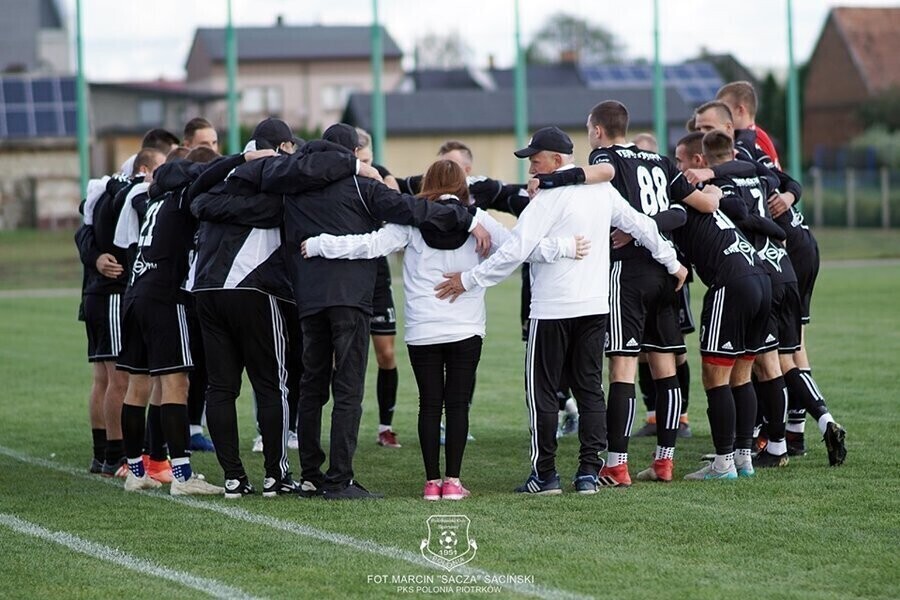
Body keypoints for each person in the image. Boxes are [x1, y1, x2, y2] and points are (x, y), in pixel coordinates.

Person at [303, 159, 587, 499]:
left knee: (428, 404)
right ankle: (452, 483)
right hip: (466, 328)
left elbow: (369, 244)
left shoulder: (412, 219)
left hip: (423, 328)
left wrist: (320, 244)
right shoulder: (479, 220)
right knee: (456, 406)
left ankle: (430, 482)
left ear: (429, 184)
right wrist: (566, 247)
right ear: (463, 186)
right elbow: (520, 249)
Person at [436, 126, 688, 495]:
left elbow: (514, 251)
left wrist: (469, 280)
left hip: (552, 309)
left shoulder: (549, 197)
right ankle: (588, 473)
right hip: (594, 307)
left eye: (535, 161)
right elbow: (643, 226)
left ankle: (545, 475)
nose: (532, 169)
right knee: (590, 390)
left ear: (557, 160)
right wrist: (672, 263)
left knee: (541, 393)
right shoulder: (602, 192)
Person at [266, 123, 489, 500]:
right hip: (350, 298)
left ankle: (309, 474)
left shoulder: (292, 186)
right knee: (348, 389)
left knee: (311, 387)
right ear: (352, 153)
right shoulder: (361, 185)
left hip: (307, 298)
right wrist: (468, 218)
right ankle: (339, 479)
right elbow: (413, 210)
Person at [578, 101, 720, 485]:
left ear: (597, 130)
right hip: (666, 271)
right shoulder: (659, 161)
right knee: (665, 366)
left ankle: (617, 464)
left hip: (629, 271)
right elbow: (697, 207)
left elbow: (596, 179)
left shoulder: (603, 157)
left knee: (622, 365)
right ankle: (664, 461)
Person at [189, 118, 315, 498]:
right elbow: (279, 209)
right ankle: (275, 476)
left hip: (206, 289)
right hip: (252, 287)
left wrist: (229, 182)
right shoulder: (280, 179)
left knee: (221, 387)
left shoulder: (220, 184)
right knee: (270, 384)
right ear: (282, 148)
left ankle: (232, 478)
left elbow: (197, 199)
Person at [116, 151, 225, 495]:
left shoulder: (153, 204)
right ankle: (181, 476)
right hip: (164, 298)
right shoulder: (180, 199)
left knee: (138, 386)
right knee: (176, 386)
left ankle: (136, 471)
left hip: (134, 294)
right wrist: (244, 157)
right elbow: (206, 178)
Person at [668, 132, 772, 480]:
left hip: (733, 283)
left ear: (697, 161)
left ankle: (723, 461)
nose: (679, 168)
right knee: (742, 374)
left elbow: (671, 222)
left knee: (716, 376)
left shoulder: (681, 195)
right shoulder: (714, 194)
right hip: (759, 276)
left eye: (681, 161)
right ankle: (743, 457)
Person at [353, 127, 403, 449]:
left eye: (369, 158)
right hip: (345, 277)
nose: (367, 165)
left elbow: (396, 208)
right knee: (340, 358)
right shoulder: (336, 178)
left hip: (377, 277)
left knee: (386, 354)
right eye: (361, 160)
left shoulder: (383, 177)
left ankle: (385, 427)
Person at [715, 81, 781, 169]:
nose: (719, 116)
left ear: (740, 110)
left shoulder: (755, 141)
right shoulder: (744, 138)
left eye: (723, 110)